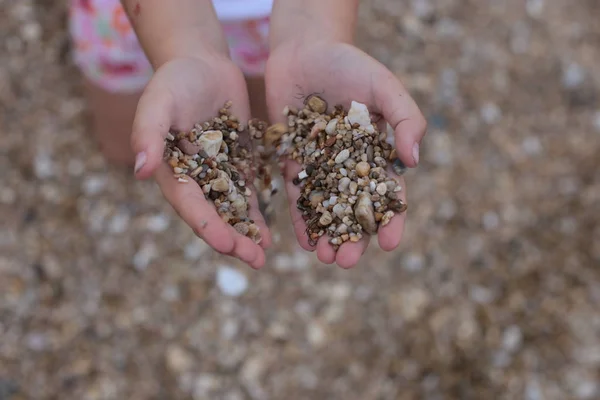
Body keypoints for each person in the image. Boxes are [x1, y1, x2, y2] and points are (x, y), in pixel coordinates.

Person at [69, 0, 427, 270]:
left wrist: (316, 34)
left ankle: (257, 137)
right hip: (139, 13)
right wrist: (182, 49)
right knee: (128, 134)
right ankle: (132, 157)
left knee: (266, 92)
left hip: (274, 15)